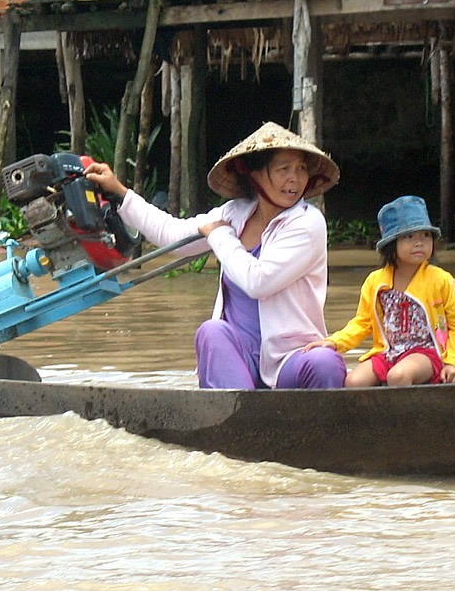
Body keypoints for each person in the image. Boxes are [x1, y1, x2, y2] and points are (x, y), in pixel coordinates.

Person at [84, 122, 347, 390]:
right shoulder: (234, 213)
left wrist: (220, 236)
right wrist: (120, 193)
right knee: (211, 331)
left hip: (288, 359)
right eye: (283, 169)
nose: (295, 178)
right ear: (255, 174)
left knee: (325, 361)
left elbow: (259, 281)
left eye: (301, 168)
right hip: (240, 355)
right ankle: (234, 421)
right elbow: (171, 234)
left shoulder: (308, 222)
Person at [305, 195, 455, 386]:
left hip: (428, 353)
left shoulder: (441, 280)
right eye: (409, 237)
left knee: (398, 376)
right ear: (391, 244)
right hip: (389, 352)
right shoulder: (376, 282)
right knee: (354, 381)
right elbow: (362, 323)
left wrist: (453, 363)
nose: (419, 243)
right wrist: (335, 342)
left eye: (425, 235)